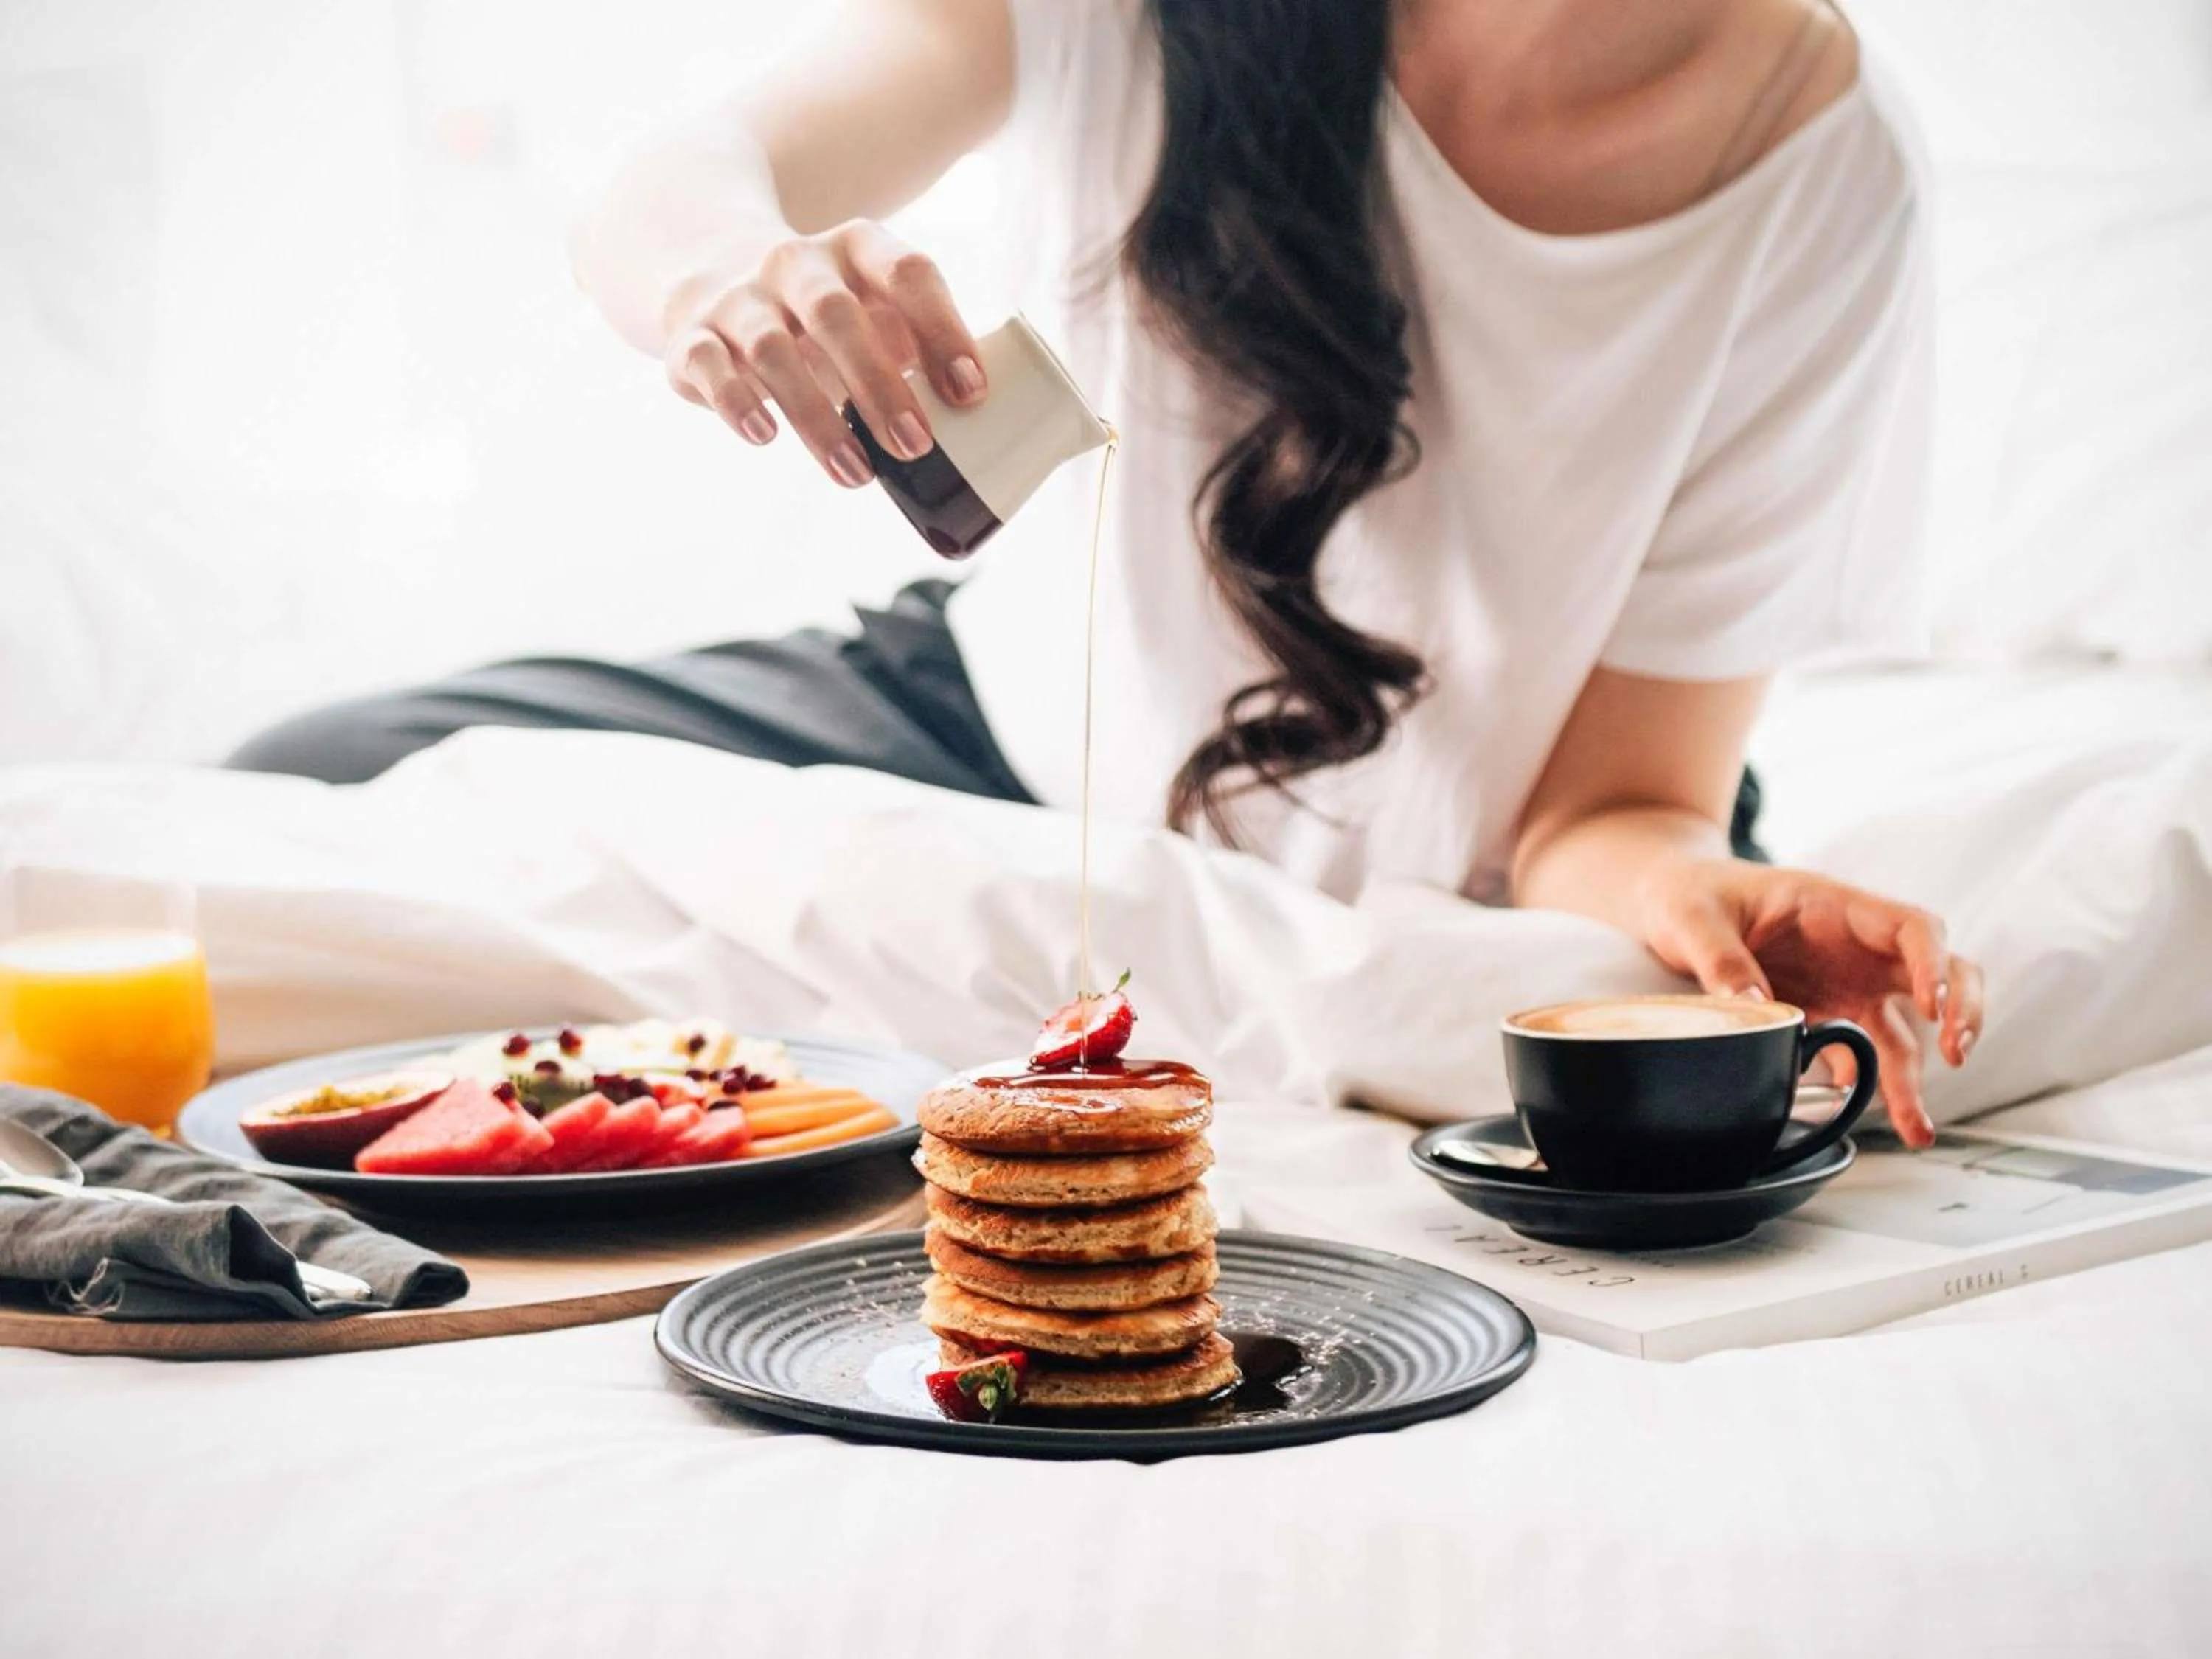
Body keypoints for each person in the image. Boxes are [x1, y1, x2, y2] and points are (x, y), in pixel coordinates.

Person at [230, 0, 1983, 1144]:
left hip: (1474, 856)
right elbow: (689, 176)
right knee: (309, 788)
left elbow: (1607, 811)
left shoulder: (1828, 173)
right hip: (984, 719)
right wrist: (725, 281)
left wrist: (1693, 889)